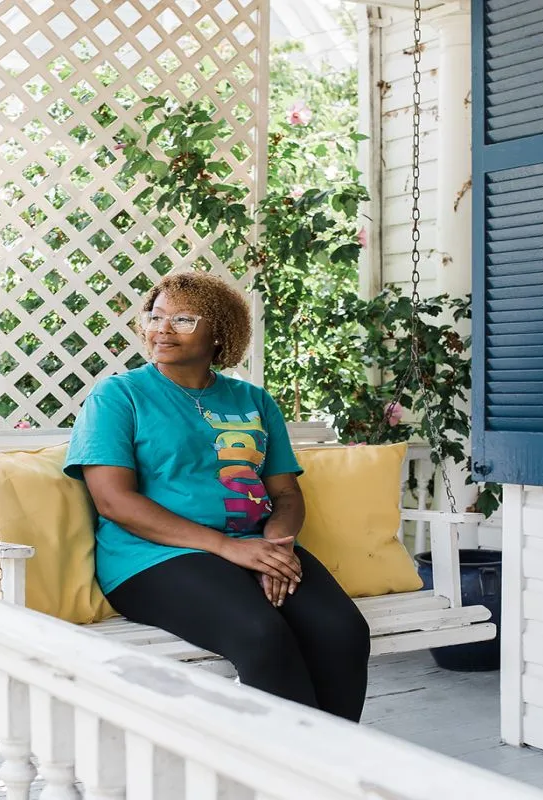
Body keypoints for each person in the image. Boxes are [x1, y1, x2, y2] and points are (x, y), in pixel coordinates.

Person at [64, 271, 370, 722]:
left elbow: (286, 492)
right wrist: (229, 548)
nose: (162, 329)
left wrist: (276, 547)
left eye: (183, 319)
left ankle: (335, 758)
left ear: (219, 332)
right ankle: (291, 762)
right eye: (155, 316)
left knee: (343, 631)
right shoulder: (119, 396)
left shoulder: (254, 400)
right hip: (153, 557)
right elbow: (114, 501)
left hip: (254, 547)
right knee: (261, 635)